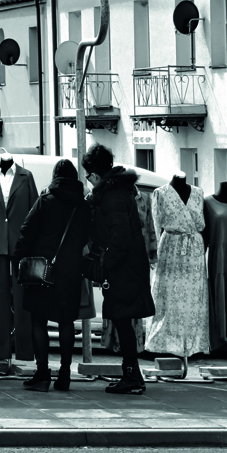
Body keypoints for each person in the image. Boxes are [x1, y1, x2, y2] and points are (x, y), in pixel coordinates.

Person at [82, 143, 155, 395]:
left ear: (95, 175)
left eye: (88, 176)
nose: (88, 181)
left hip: (124, 270)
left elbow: (120, 238)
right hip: (128, 267)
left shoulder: (113, 197)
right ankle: (132, 374)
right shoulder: (119, 192)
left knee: (123, 322)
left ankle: (132, 376)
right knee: (123, 321)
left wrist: (105, 266)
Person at [13, 159, 91, 391]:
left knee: (39, 320)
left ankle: (42, 374)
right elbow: (87, 236)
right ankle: (65, 375)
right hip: (71, 271)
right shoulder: (83, 206)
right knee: (67, 321)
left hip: (42, 271)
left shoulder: (45, 201)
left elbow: (26, 233)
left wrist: (19, 262)